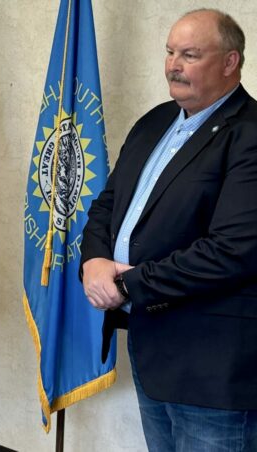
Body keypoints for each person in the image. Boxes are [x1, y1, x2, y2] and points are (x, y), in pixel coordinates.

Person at [81, 9, 257, 451]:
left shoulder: (250, 134)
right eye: (170, 52)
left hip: (212, 371)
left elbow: (232, 251)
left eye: (190, 54)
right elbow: (107, 204)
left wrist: (128, 284)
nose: (173, 65)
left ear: (230, 62)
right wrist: (95, 260)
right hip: (152, 352)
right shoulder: (155, 122)